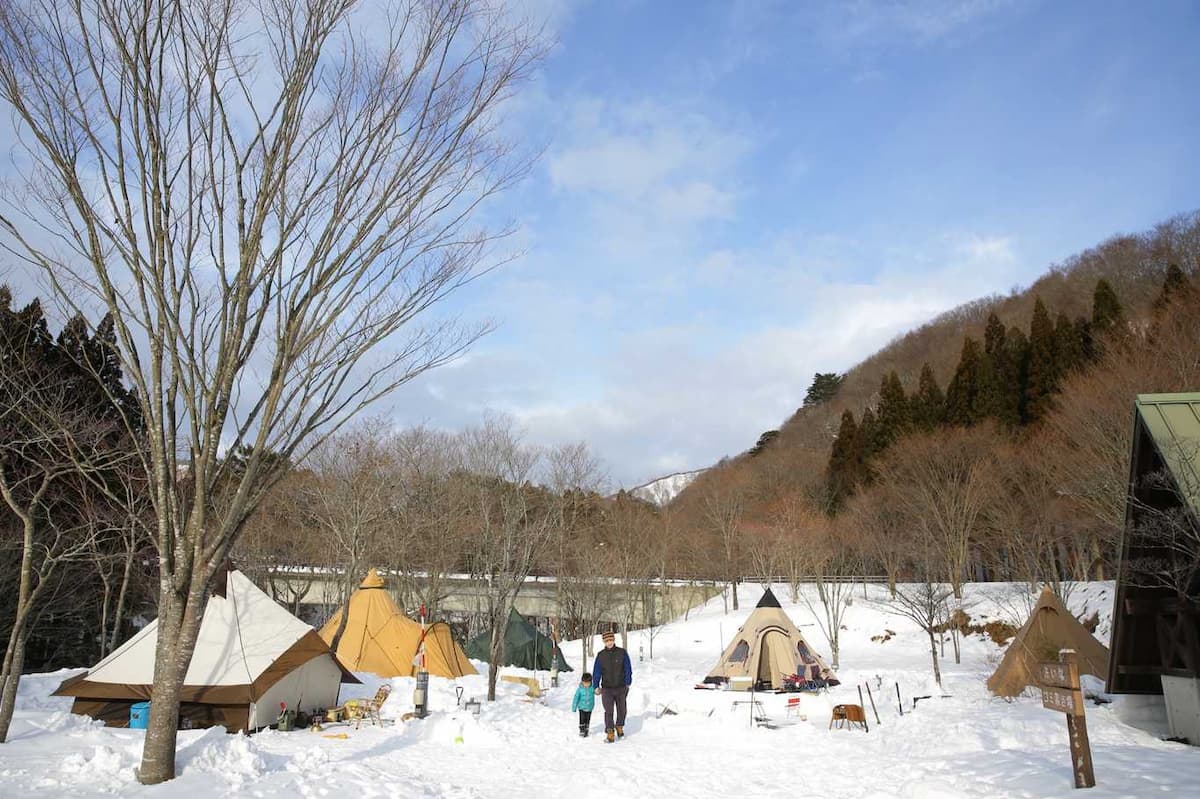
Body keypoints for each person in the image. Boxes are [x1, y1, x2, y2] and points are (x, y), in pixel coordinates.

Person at [591, 630, 632, 742]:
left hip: (621, 687)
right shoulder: (601, 655)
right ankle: (610, 732)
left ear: (614, 640)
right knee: (608, 711)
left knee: (622, 709)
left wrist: (628, 681)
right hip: (607, 688)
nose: (609, 642)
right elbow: (597, 672)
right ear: (604, 642)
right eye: (607, 641)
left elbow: (627, 668)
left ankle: (619, 726)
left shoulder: (622, 652)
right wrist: (595, 685)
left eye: (611, 640)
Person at [571, 672, 596, 737]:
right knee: (582, 719)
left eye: (588, 683)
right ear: (582, 682)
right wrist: (574, 707)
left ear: (591, 682)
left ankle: (586, 729)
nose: (586, 684)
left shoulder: (592, 688)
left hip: (589, 707)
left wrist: (598, 691)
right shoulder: (580, 689)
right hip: (581, 707)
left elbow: (596, 692)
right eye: (585, 683)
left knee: (587, 719)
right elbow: (576, 698)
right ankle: (582, 730)